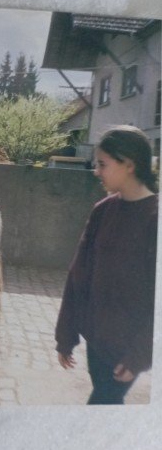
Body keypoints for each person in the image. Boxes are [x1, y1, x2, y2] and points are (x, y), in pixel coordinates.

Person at [55, 125, 158, 404]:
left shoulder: (154, 217)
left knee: (101, 405)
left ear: (129, 165)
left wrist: (140, 354)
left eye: (103, 164)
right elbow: (78, 275)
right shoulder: (102, 210)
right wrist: (66, 335)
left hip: (128, 348)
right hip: (97, 341)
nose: (96, 171)